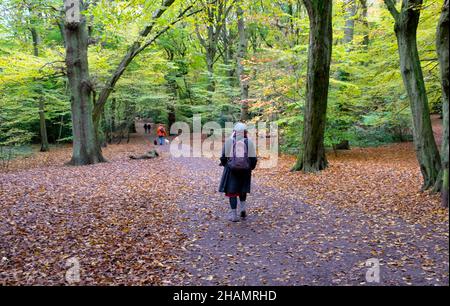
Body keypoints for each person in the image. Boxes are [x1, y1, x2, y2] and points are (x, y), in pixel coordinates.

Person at [219, 123, 257, 222]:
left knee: (232, 192)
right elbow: (253, 158)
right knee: (242, 189)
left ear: (234, 131)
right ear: (245, 132)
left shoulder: (229, 141)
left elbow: (223, 157)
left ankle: (234, 216)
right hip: (245, 170)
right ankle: (243, 209)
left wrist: (226, 165)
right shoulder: (249, 142)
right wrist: (250, 167)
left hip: (231, 170)